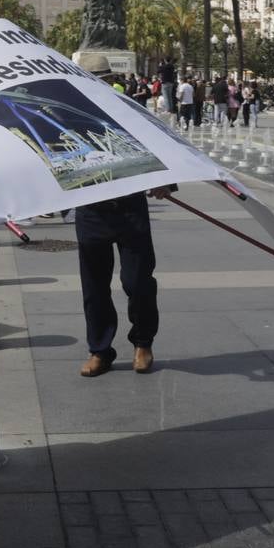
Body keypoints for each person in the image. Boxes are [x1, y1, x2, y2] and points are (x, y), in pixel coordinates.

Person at [73, 54, 168, 378]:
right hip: (90, 211)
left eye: (100, 78)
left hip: (129, 209)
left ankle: (143, 342)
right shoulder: (67, 115)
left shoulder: (128, 111)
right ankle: (100, 350)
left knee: (137, 281)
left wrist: (165, 181)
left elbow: (160, 144)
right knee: (94, 287)